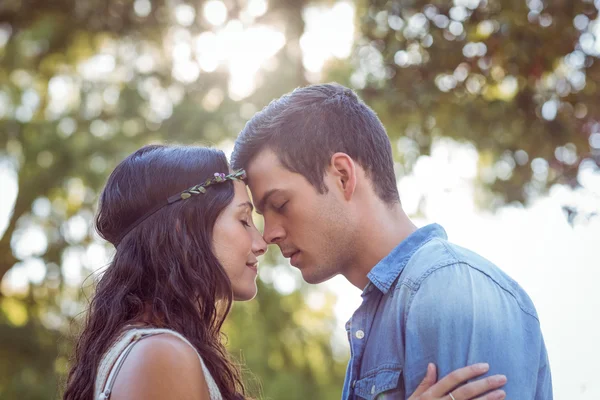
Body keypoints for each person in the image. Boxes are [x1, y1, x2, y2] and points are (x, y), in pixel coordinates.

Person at [64, 144, 507, 400]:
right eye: (243, 219)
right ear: (184, 227)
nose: (261, 242)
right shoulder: (161, 354)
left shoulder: (160, 350)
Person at [231, 83, 552, 400]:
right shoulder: (380, 320)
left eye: (280, 205)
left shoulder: (443, 288)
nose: (268, 234)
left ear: (342, 176)